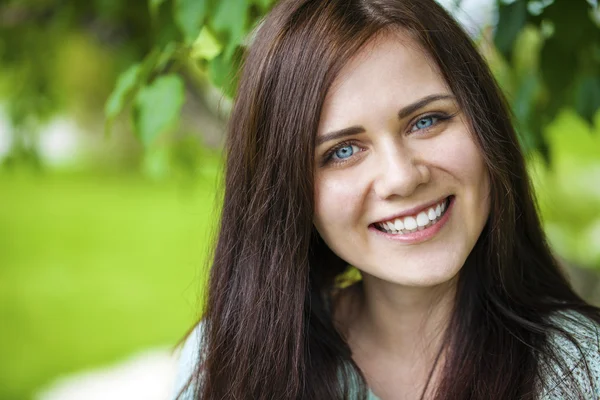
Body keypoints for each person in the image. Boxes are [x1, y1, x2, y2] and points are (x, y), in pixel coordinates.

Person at [173, 0, 600, 399]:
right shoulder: (223, 363)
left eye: (427, 120)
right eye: (342, 151)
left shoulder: (581, 373)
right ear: (288, 192)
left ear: (484, 123)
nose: (401, 178)